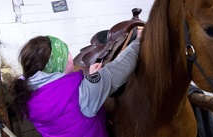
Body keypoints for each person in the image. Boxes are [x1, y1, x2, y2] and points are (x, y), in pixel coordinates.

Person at [8, 28, 142, 137]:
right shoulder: (82, 94)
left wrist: (91, 78)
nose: (71, 58)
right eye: (68, 55)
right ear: (61, 65)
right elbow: (119, 68)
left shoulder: (26, 93)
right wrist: (140, 41)